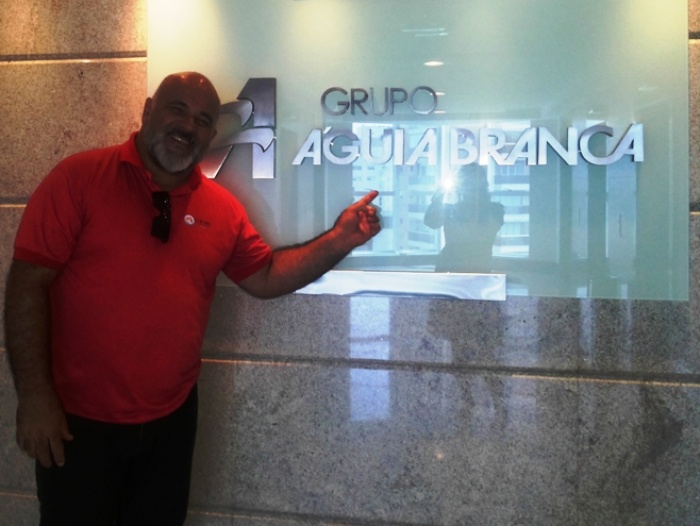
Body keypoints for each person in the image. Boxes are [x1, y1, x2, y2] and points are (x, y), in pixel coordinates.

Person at [3, 71, 381, 526]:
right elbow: (27, 284)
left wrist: (340, 239)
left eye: (203, 120)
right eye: (177, 109)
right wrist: (35, 398)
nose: (188, 126)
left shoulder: (221, 209)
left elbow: (264, 276)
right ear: (148, 111)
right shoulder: (79, 179)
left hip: (170, 422)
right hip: (76, 422)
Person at [423, 164, 503, 273]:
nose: (471, 188)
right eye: (467, 183)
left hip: (473, 270)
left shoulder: (494, 210)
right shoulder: (451, 210)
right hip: (453, 270)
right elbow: (431, 222)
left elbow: (478, 235)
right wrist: (438, 197)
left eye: (473, 183)